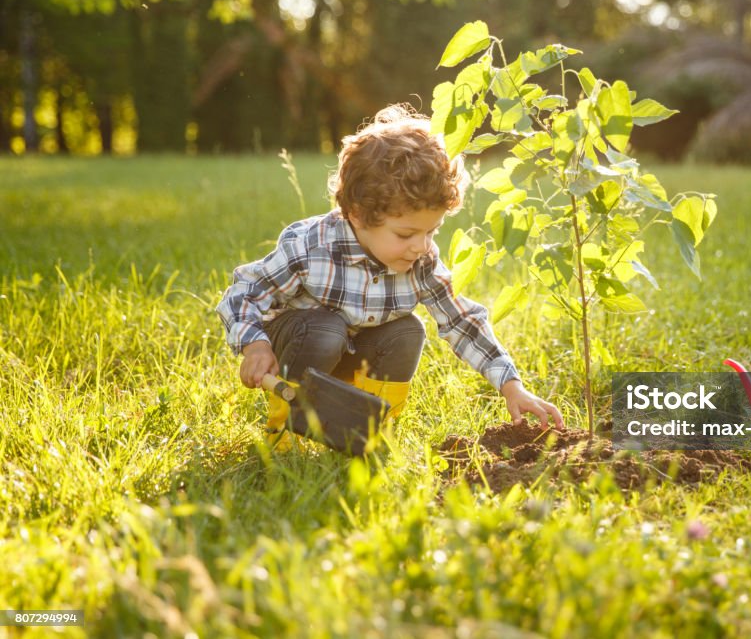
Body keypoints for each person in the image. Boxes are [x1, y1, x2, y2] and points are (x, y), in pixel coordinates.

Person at [216, 104, 563, 432]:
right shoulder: (312, 248)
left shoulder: (420, 260)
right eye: (406, 233)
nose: (422, 245)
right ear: (356, 214)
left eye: (432, 231)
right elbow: (243, 293)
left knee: (407, 331)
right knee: (326, 330)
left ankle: (364, 428)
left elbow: (461, 320)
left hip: (352, 357)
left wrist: (512, 386)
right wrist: (255, 346)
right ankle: (289, 429)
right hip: (301, 348)